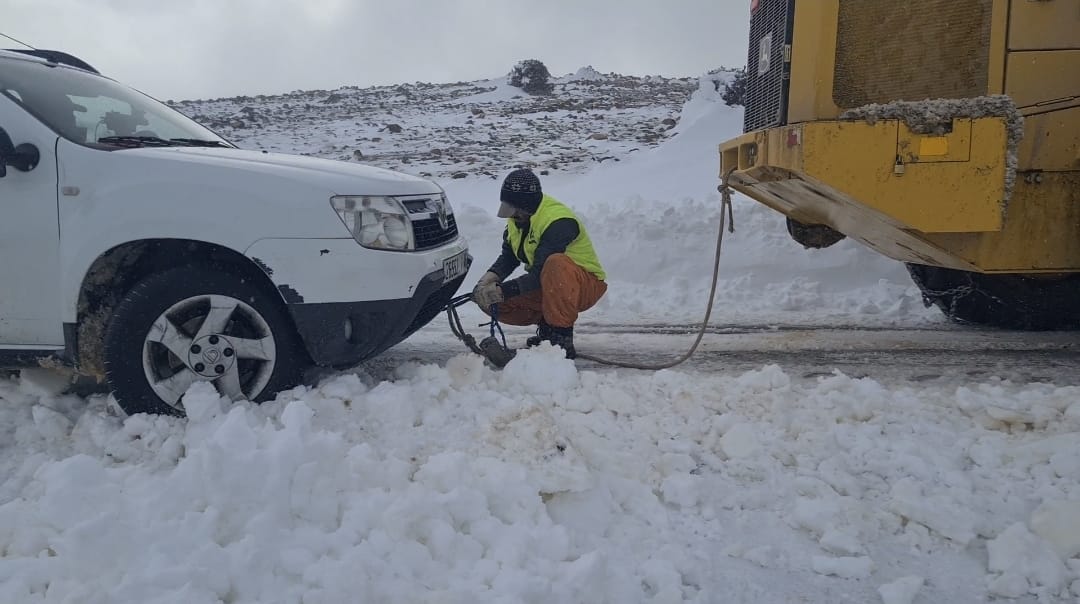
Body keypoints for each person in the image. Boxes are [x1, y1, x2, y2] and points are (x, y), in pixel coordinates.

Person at [472, 168, 607, 358]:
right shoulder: (516, 221)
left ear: (527, 206)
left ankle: (561, 339)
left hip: (584, 285)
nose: (512, 216)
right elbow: (509, 257)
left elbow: (539, 272)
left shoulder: (558, 221)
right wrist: (488, 281)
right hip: (549, 284)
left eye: (515, 211)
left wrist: (504, 290)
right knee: (492, 303)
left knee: (555, 264)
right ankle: (547, 329)